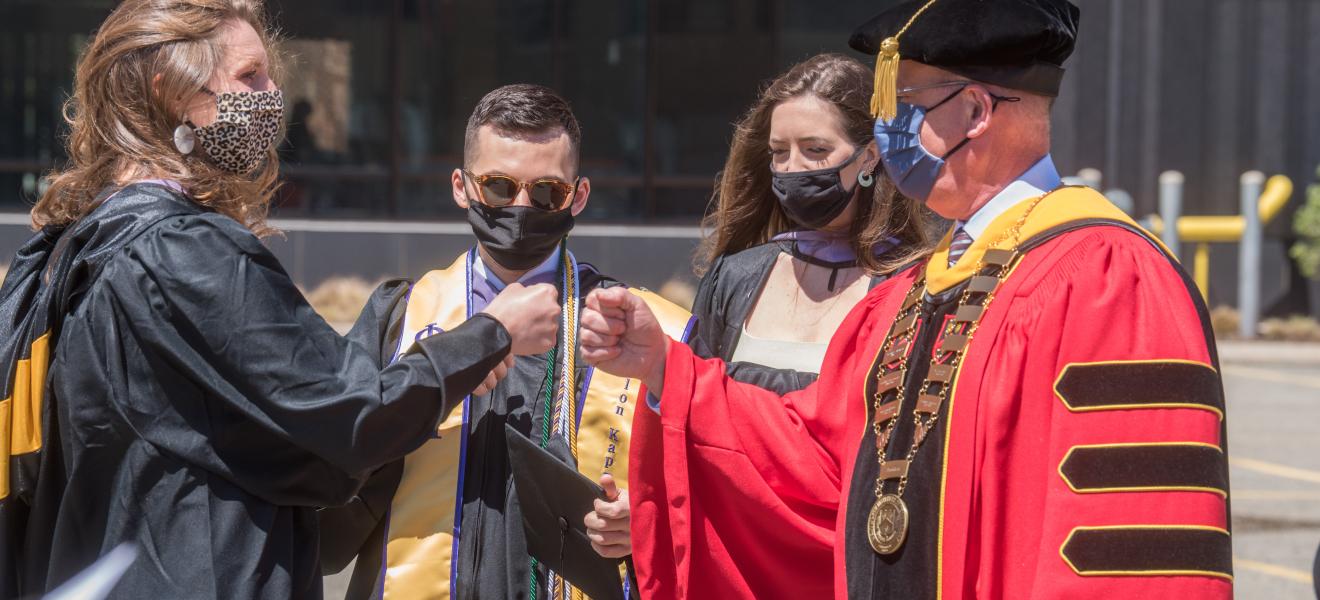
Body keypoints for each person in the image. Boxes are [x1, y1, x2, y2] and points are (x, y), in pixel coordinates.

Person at [580, 1, 1233, 598]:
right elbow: (817, 461)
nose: (885, 127)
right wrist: (668, 369)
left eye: (906, 103)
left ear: (975, 112)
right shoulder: (914, 293)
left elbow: (1129, 558)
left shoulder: (1106, 278)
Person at [0, 2, 560, 598]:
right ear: (168, 93)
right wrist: (490, 333)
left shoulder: (72, 248)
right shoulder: (187, 249)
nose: (273, 95)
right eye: (250, 77)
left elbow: (264, 434)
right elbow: (347, 414)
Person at [317, 84, 694, 600]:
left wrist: (649, 521)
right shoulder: (401, 321)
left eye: (545, 193)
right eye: (498, 187)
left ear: (577, 197)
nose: (520, 206)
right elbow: (325, 482)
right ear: (461, 187)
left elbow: (711, 498)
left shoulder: (641, 331)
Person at [690, 53, 930, 397]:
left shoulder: (913, 285)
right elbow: (691, 403)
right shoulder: (733, 276)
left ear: (870, 156)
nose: (792, 168)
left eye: (815, 149)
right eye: (779, 151)